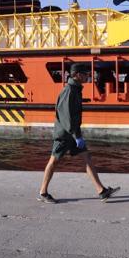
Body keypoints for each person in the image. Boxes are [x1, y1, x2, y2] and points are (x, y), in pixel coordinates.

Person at [38, 63, 119, 203]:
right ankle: (43, 192)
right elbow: (66, 117)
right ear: (77, 75)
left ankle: (101, 191)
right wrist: (77, 136)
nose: (88, 76)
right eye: (85, 73)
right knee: (54, 161)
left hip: (73, 134)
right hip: (65, 135)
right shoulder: (69, 91)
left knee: (86, 157)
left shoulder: (74, 90)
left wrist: (77, 135)